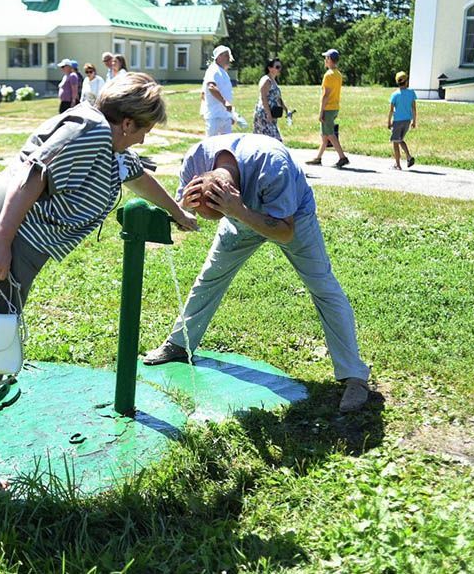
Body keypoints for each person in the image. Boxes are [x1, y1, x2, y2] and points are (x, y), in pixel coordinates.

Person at [0, 73, 199, 499]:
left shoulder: (101, 138)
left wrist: (178, 212)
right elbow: (34, 175)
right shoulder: (93, 132)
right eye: (144, 130)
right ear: (127, 123)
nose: (141, 141)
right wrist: (3, 241)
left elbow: (135, 175)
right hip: (6, 233)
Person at [143, 133, 371, 413]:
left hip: (291, 218)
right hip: (238, 215)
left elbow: (286, 232)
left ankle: (355, 376)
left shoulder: (273, 165)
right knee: (210, 278)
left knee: (322, 286)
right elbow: (183, 211)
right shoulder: (195, 160)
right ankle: (179, 345)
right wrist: (184, 213)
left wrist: (238, 210)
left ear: (233, 191)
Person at [306, 49, 349, 168]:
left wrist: (321, 112)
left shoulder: (328, 75)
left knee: (329, 133)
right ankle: (318, 158)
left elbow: (326, 94)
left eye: (326, 58)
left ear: (330, 59)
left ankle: (342, 157)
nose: (325, 60)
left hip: (328, 108)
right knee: (325, 135)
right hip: (335, 106)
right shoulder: (338, 74)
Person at [201, 45, 235, 137]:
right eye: (226, 56)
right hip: (215, 116)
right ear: (219, 56)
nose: (228, 58)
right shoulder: (213, 70)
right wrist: (224, 102)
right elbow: (211, 87)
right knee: (211, 144)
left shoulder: (223, 72)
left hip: (225, 116)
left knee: (226, 146)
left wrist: (231, 115)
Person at [387, 71, 417, 170]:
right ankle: (405, 159)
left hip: (397, 121)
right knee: (399, 139)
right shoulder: (411, 93)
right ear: (406, 81)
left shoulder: (395, 95)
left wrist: (388, 122)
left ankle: (399, 163)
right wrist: (414, 121)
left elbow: (391, 110)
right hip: (407, 120)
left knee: (396, 142)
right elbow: (413, 108)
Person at [252, 58, 287, 142]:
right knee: (274, 140)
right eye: (277, 67)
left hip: (272, 113)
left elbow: (277, 97)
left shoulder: (273, 80)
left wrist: (285, 108)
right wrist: (268, 114)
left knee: (269, 140)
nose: (279, 69)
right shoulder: (266, 80)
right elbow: (264, 98)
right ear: (270, 68)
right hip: (264, 113)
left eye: (280, 67)